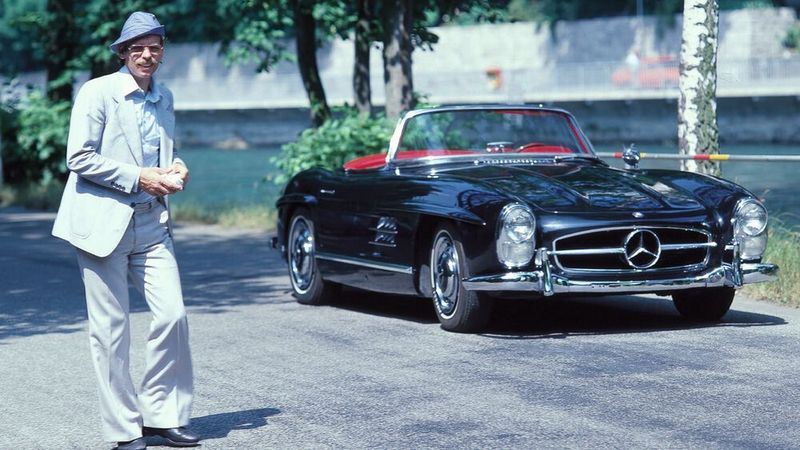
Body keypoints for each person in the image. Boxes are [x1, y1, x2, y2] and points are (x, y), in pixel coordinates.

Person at [52, 11, 199, 450]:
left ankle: (161, 416)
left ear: (162, 51)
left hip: (152, 223)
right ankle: (124, 430)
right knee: (112, 331)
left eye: (154, 47)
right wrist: (139, 177)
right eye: (137, 48)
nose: (146, 55)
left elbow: (163, 151)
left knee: (173, 316)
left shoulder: (165, 96)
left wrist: (176, 167)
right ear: (122, 52)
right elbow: (79, 157)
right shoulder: (97, 92)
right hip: (101, 224)